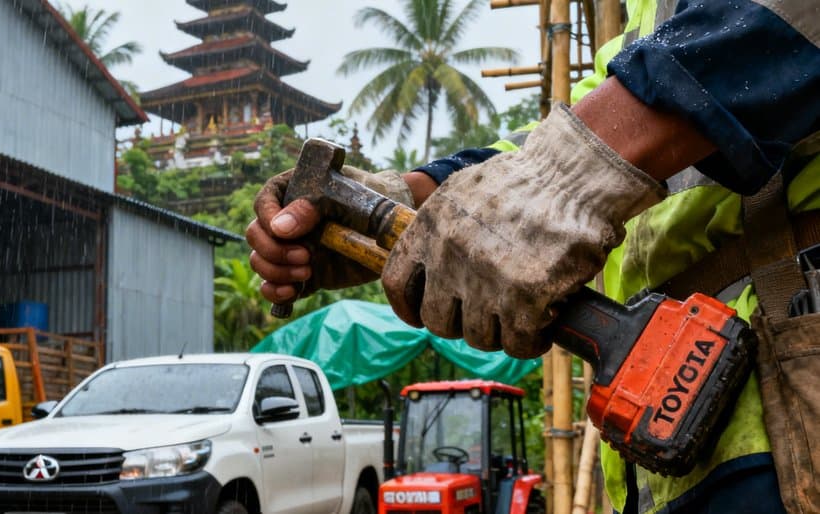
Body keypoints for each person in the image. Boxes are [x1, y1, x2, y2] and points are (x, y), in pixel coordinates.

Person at [247, 1, 819, 512]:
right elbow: (554, 144)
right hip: (674, 429)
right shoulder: (647, 25)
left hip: (787, 391)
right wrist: (400, 203)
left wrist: (555, 181)